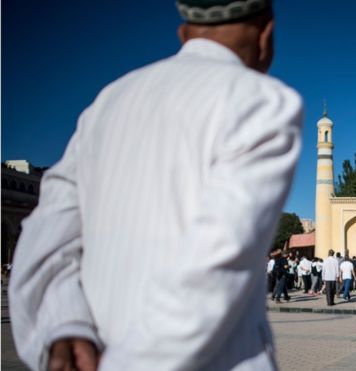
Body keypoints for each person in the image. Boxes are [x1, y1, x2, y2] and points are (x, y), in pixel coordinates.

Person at [9, 2, 302, 369]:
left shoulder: (110, 101)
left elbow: (46, 237)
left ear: (184, 33)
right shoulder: (263, 102)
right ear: (266, 34)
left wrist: (64, 324)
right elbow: (216, 265)